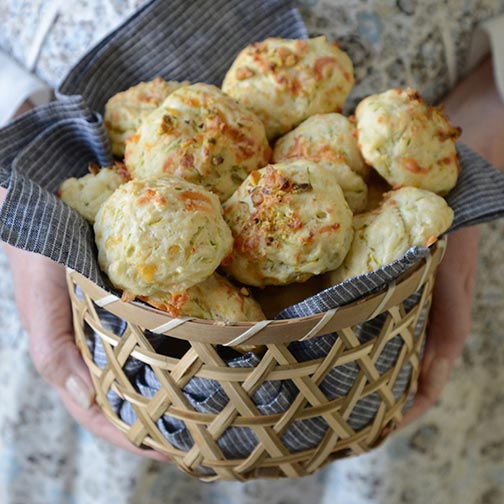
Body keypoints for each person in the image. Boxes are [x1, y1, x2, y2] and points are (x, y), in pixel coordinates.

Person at [0, 1, 503, 502]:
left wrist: (479, 142)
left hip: (385, 329)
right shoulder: (188, 156)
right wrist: (19, 172)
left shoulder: (289, 178)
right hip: (110, 331)